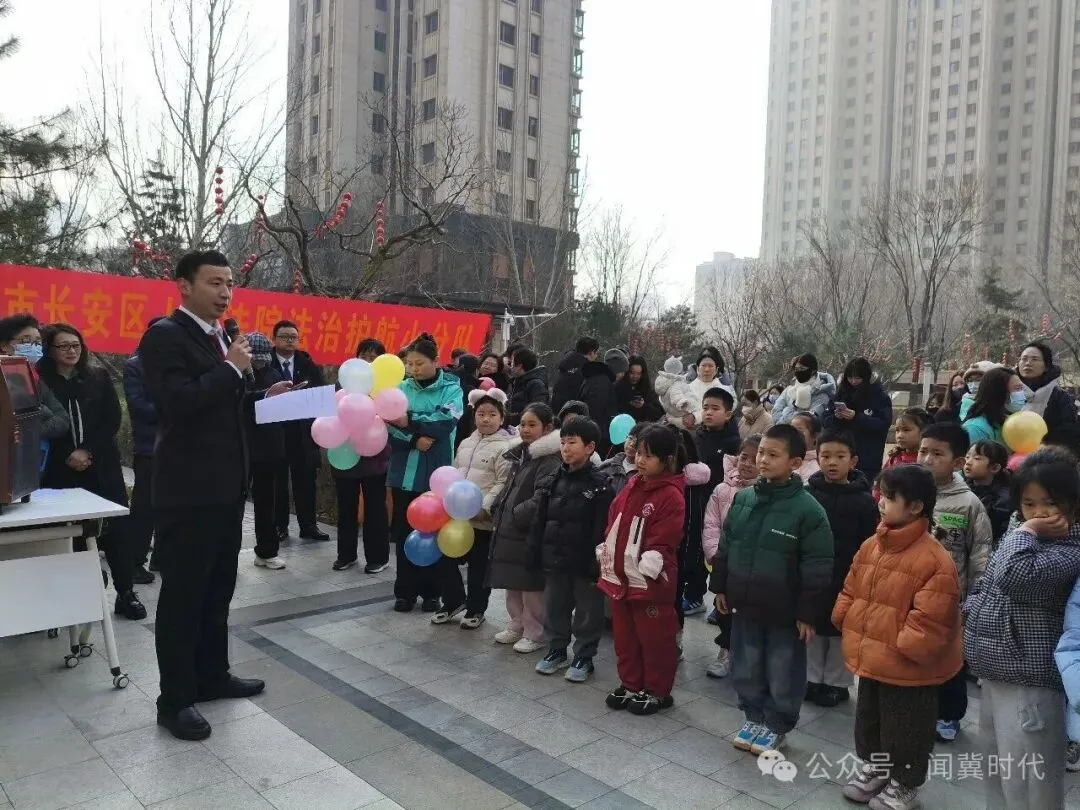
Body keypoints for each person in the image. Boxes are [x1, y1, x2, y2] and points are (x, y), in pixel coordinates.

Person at [139, 250, 292, 741]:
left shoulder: (219, 337)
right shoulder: (165, 336)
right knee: (184, 595)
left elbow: (219, 405)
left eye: (229, 283)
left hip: (225, 491)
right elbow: (177, 403)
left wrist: (260, 397)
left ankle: (211, 675)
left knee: (217, 589)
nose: (225, 292)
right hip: (188, 492)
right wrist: (230, 370)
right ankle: (174, 699)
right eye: (214, 282)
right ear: (184, 285)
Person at [834, 464, 963, 810]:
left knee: (907, 726)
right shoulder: (873, 545)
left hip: (908, 665)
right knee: (871, 717)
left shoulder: (934, 559)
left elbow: (932, 618)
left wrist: (904, 646)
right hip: (875, 654)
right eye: (882, 494)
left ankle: (905, 784)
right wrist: (843, 615)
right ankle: (878, 767)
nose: (881, 502)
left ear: (916, 507)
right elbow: (852, 585)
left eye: (890, 497)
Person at [710, 423, 834, 755]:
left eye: (773, 455)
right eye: (761, 452)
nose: (763, 460)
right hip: (745, 604)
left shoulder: (808, 510)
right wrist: (720, 587)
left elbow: (818, 567)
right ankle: (753, 716)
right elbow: (726, 545)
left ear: (795, 463)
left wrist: (808, 613)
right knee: (746, 664)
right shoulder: (744, 499)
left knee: (782, 669)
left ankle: (777, 724)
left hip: (785, 613)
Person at [967, 449, 1080, 809]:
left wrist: (1026, 529)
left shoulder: (1070, 548)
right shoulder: (1022, 535)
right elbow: (991, 583)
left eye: (1051, 503)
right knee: (996, 770)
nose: (1040, 512)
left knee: (1029, 781)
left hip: (1031, 679)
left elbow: (1015, 577)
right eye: (1029, 504)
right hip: (997, 667)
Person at [38, 323, 145, 621]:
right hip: (60, 468)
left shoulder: (97, 376)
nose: (71, 351)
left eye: (76, 345)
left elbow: (111, 419)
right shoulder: (40, 381)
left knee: (116, 530)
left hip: (101, 466)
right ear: (49, 350)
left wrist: (87, 450)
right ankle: (76, 596)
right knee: (70, 531)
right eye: (63, 346)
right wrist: (68, 454)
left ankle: (126, 592)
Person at [599, 423, 688, 714]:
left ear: (666, 459)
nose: (640, 460)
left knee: (654, 639)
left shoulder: (671, 495)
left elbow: (665, 537)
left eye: (649, 456)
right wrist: (608, 550)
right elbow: (614, 519)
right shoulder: (633, 485)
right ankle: (630, 683)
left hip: (650, 580)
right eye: (639, 453)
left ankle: (657, 691)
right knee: (625, 637)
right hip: (622, 576)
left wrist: (647, 563)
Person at [917, 421, 993, 743]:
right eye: (923, 451)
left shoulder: (968, 504)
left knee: (948, 658)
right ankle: (916, 707)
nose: (927, 459)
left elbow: (980, 553)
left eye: (938, 454)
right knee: (914, 653)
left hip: (950, 597)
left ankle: (948, 714)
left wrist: (974, 597)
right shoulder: (908, 491)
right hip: (910, 592)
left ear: (959, 462)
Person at [386, 332, 463, 612]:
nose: (414, 369)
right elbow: (387, 424)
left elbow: (445, 420)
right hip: (403, 471)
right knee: (404, 532)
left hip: (435, 473)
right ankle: (404, 591)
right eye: (410, 364)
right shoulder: (400, 388)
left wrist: (409, 419)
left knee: (432, 533)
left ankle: (432, 592)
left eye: (420, 363)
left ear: (436, 361)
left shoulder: (452, 388)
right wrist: (413, 438)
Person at [530, 418, 612, 682]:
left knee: (588, 612)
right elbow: (540, 520)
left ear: (590, 447)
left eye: (572, 442)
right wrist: (535, 549)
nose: (565, 448)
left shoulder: (601, 484)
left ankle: (584, 656)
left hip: (585, 562)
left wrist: (596, 563)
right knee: (555, 607)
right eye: (563, 442)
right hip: (555, 558)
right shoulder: (554, 479)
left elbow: (603, 527)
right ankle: (556, 650)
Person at [805, 429, 880, 708]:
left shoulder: (864, 501)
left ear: (854, 460)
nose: (832, 462)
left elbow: (870, 543)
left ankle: (836, 683)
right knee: (812, 629)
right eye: (825, 456)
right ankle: (812, 678)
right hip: (814, 575)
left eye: (840, 456)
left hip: (848, 578)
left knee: (840, 632)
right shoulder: (808, 495)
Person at [432, 388, 514, 628]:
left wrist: (483, 507)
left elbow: (502, 483)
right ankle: (453, 600)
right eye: (481, 414)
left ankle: (476, 609)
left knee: (479, 567)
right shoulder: (466, 443)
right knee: (445, 557)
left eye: (492, 414)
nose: (486, 419)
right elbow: (454, 474)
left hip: (482, 518)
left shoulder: (506, 447)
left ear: (501, 418)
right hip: (457, 516)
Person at [489, 403, 561, 652]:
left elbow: (543, 496)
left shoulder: (550, 458)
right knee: (513, 581)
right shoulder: (521, 453)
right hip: (511, 529)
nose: (525, 429)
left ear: (547, 428)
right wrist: (499, 508)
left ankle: (535, 632)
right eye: (522, 424)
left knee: (531, 586)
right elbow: (509, 487)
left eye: (532, 425)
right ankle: (516, 624)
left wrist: (517, 514)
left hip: (529, 531)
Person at [701, 434, 762, 679]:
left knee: (750, 614)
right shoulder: (722, 489)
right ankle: (725, 652)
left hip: (753, 567)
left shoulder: (765, 493)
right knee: (724, 610)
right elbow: (711, 524)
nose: (747, 463)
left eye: (754, 459)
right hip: (724, 562)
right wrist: (714, 554)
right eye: (744, 457)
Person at [331, 338, 391, 574]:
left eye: (373, 357)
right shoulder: (342, 384)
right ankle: (346, 555)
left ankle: (378, 557)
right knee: (346, 507)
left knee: (375, 509)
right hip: (345, 453)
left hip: (374, 455)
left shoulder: (385, 387)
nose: (367, 360)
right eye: (363, 355)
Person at [682, 387, 741, 616]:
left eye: (715, 408)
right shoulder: (696, 436)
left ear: (728, 414)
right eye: (705, 407)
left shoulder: (734, 442)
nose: (708, 412)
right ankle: (694, 596)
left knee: (719, 553)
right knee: (696, 550)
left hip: (721, 505)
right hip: (695, 501)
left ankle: (721, 603)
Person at [271, 320, 329, 542]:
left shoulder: (307, 363)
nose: (289, 341)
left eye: (293, 337)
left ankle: (309, 526)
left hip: (303, 433)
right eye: (285, 337)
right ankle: (279, 525)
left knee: (305, 481)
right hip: (276, 432)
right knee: (278, 482)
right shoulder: (266, 363)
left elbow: (321, 392)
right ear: (274, 339)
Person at [123, 316, 165, 583]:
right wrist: (177, 407)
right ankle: (133, 562)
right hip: (150, 448)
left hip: (179, 448)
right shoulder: (135, 366)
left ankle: (163, 556)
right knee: (144, 508)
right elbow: (139, 407)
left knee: (173, 507)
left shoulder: (178, 366)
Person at [242, 332, 288, 570]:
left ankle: (267, 551)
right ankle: (227, 554)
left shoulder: (274, 375)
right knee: (234, 502)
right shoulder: (236, 375)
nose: (259, 364)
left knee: (266, 502)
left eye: (263, 359)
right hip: (242, 448)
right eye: (255, 359)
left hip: (269, 447)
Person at [0, 313, 71, 466]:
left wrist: (32, 430)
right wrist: (42, 411)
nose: (34, 347)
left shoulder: (36, 379)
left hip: (29, 462)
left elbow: (62, 420)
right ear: (4, 345)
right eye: (26, 341)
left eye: (37, 342)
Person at [824, 356, 892, 480]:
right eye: (850, 377)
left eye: (858, 378)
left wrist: (857, 417)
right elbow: (825, 420)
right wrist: (836, 417)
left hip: (867, 457)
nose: (853, 381)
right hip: (841, 453)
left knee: (863, 486)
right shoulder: (841, 394)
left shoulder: (879, 396)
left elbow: (883, 423)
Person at [665, 347, 736, 430]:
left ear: (716, 368)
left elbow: (725, 410)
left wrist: (695, 418)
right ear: (698, 367)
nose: (707, 369)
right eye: (704, 365)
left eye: (710, 365)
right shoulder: (686, 383)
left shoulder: (725, 387)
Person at [1017, 341, 1078, 432]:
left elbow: (1068, 431)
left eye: (1035, 359)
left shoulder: (1061, 398)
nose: (1028, 363)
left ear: (1046, 366)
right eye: (1024, 359)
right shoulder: (1008, 390)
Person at [964, 440, 1013, 550]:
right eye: (967, 457)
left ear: (994, 468)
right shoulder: (961, 486)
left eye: (977, 458)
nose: (968, 462)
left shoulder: (1003, 498)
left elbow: (997, 531)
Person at [577, 349, 623, 454]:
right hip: (599, 435)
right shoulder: (602, 382)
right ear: (616, 370)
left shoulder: (594, 378)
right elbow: (595, 409)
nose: (623, 375)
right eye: (622, 371)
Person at [962, 366, 1023, 445]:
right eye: (1017, 389)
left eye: (1022, 388)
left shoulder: (1008, 421)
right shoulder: (975, 428)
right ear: (999, 392)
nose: (1022, 394)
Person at [771, 353, 837, 425]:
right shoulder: (789, 389)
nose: (798, 371)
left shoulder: (822, 393)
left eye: (802, 368)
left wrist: (786, 411)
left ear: (813, 370)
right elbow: (776, 410)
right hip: (782, 430)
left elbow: (809, 419)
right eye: (796, 369)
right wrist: (781, 425)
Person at [551, 336, 598, 416]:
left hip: (558, 414)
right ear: (591, 352)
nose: (596, 356)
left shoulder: (566, 365)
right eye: (596, 353)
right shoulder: (585, 371)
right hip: (574, 416)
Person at [597, 422, 647, 495]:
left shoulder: (645, 474)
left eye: (637, 442)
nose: (631, 444)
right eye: (630, 438)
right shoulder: (607, 465)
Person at [506, 348, 549, 426]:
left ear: (519, 366)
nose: (510, 366)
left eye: (511, 363)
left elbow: (537, 411)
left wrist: (510, 418)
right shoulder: (515, 383)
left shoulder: (536, 384)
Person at [615, 355, 663, 423]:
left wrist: (643, 406)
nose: (635, 376)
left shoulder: (648, 389)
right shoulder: (617, 388)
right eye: (632, 373)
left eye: (639, 373)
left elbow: (658, 413)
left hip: (642, 427)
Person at [789, 411, 822, 482]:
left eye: (799, 432)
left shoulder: (815, 469)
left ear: (815, 436)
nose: (793, 436)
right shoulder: (785, 458)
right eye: (791, 431)